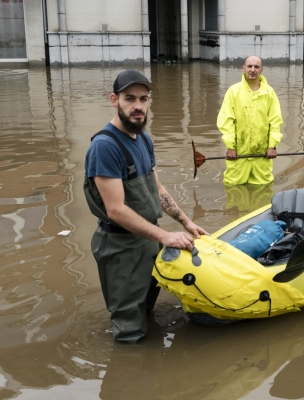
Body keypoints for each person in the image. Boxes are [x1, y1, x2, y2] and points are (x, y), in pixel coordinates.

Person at [84, 69, 208, 343]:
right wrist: (165, 236)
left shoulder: (144, 139)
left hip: (148, 241)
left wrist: (185, 222)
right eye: (130, 98)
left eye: (143, 98)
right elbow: (115, 209)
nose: (138, 106)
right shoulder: (105, 146)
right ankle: (130, 376)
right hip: (121, 248)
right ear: (114, 100)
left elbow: (157, 189)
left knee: (147, 309)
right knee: (130, 330)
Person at [217, 55, 284, 185]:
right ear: (243, 68)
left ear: (261, 70)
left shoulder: (269, 93)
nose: (252, 70)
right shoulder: (233, 91)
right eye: (249, 66)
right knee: (233, 188)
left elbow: (275, 121)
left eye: (256, 67)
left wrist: (272, 146)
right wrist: (231, 147)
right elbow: (226, 121)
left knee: (263, 190)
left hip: (262, 154)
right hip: (238, 154)